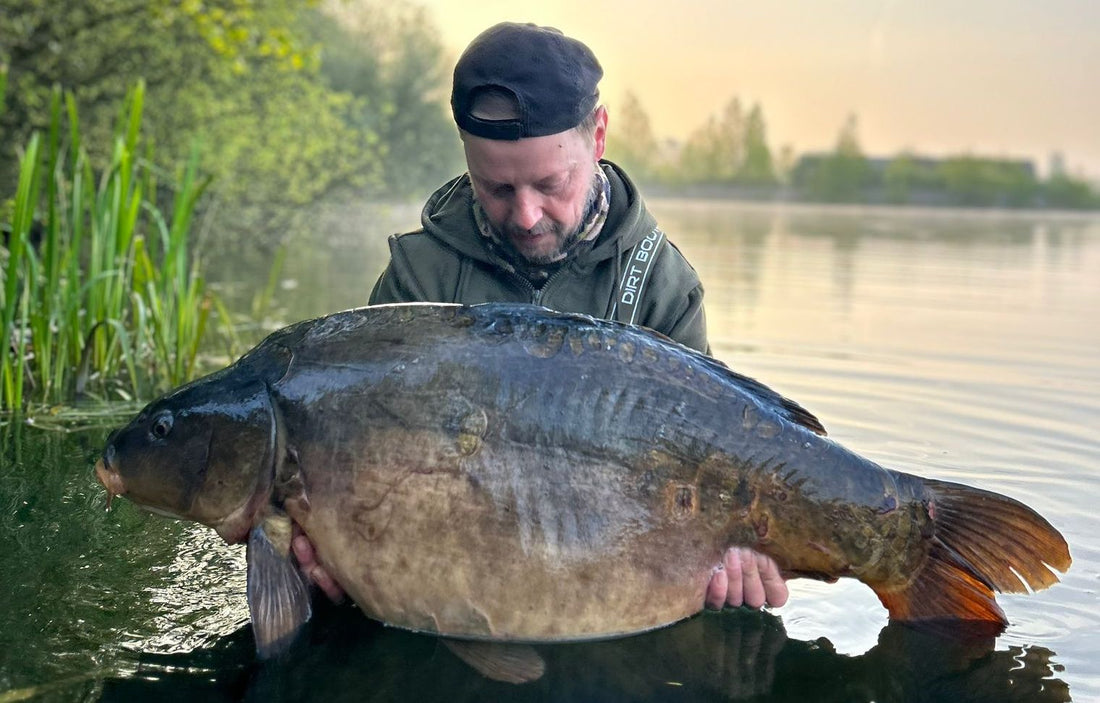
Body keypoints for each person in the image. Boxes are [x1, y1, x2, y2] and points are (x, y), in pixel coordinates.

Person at [295, 21, 788, 613]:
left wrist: (738, 555)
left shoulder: (662, 288)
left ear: (598, 135)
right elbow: (361, 462)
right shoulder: (417, 280)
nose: (527, 216)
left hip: (604, 587)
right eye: (496, 188)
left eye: (551, 184)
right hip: (457, 586)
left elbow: (713, 468)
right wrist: (336, 551)